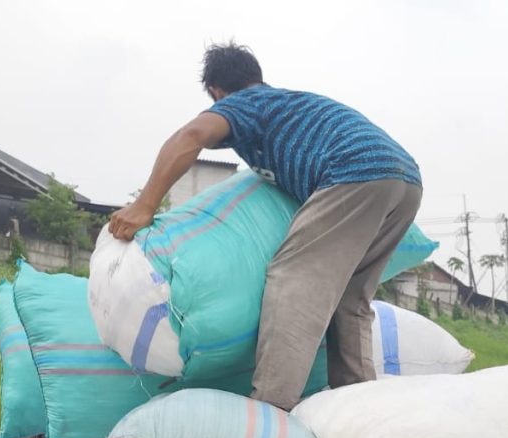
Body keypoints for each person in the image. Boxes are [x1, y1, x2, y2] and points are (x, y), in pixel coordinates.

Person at [109, 41, 422, 409]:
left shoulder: (247, 103)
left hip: (355, 172)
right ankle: (355, 403)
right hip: (405, 180)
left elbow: (190, 136)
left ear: (216, 91)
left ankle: (271, 406)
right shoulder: (287, 105)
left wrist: (144, 205)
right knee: (350, 298)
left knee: (295, 278)